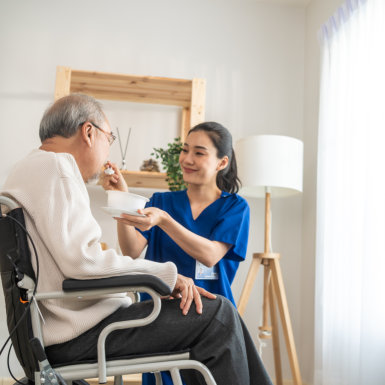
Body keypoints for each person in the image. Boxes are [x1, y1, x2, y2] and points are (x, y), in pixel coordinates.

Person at [2, 94, 272, 385]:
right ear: (89, 133)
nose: (108, 150)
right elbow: (87, 260)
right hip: (82, 333)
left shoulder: (30, 168)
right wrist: (168, 276)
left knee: (221, 313)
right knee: (220, 315)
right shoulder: (58, 168)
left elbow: (80, 259)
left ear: (222, 163)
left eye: (200, 153)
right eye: (110, 137)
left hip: (64, 328)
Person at [102, 122, 250, 385]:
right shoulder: (162, 202)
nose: (187, 159)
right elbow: (132, 250)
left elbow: (210, 255)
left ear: (221, 162)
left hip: (210, 318)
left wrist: (165, 221)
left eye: (199, 153)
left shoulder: (235, 207)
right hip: (161, 315)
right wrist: (120, 199)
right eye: (185, 150)